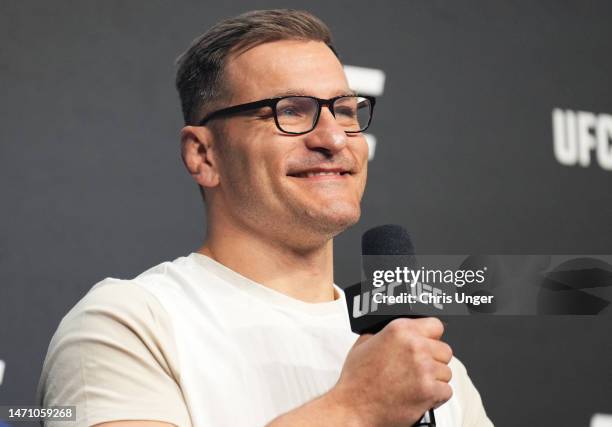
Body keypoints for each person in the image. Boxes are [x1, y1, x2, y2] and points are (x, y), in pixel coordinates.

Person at [37, 9, 493, 427]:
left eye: (345, 110)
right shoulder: (130, 325)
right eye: (291, 111)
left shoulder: (425, 362)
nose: (334, 137)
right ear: (204, 155)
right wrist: (356, 408)